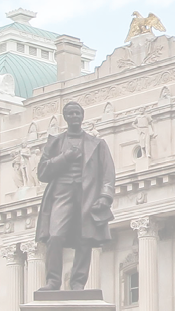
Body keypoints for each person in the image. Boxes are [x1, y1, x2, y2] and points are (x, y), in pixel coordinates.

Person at [34, 101, 116, 291]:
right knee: (55, 235)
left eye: (77, 113)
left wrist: (105, 196)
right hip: (61, 192)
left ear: (82, 116)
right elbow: (43, 173)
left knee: (84, 238)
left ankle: (78, 282)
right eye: (70, 114)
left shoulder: (97, 144)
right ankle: (53, 280)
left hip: (87, 193)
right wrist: (65, 158)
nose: (74, 117)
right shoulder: (54, 143)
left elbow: (108, 173)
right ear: (65, 117)